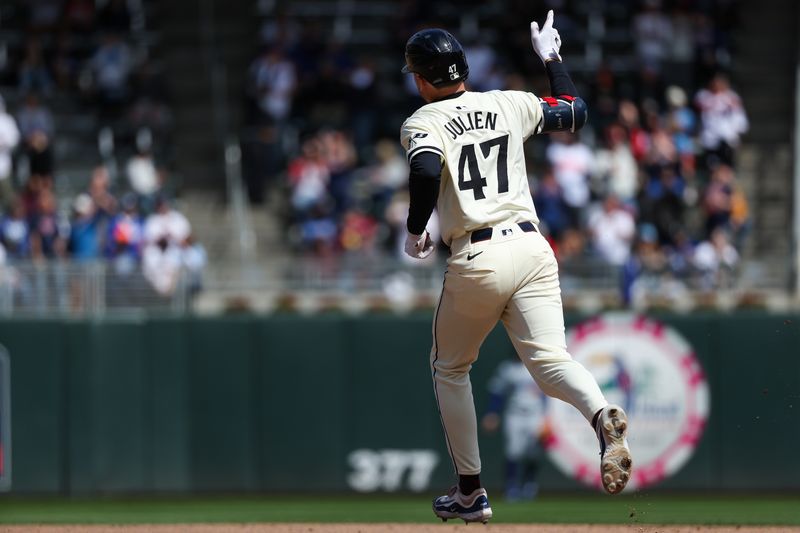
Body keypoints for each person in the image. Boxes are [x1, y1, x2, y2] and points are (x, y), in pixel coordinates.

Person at [399, 12, 632, 524]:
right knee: (551, 359)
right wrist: (552, 60)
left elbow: (424, 167)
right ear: (463, 69)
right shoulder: (508, 101)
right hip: (532, 247)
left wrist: (418, 228)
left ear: (420, 78)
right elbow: (575, 111)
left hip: (478, 255)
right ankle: (600, 417)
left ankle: (470, 491)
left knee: (450, 368)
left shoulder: (423, 121)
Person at [481, 357, 549, 502]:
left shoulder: (539, 366)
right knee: (513, 451)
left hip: (536, 414)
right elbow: (496, 392)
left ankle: (529, 485)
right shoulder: (508, 368)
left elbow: (549, 394)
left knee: (533, 452)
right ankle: (511, 486)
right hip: (514, 414)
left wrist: (548, 417)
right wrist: (492, 412)